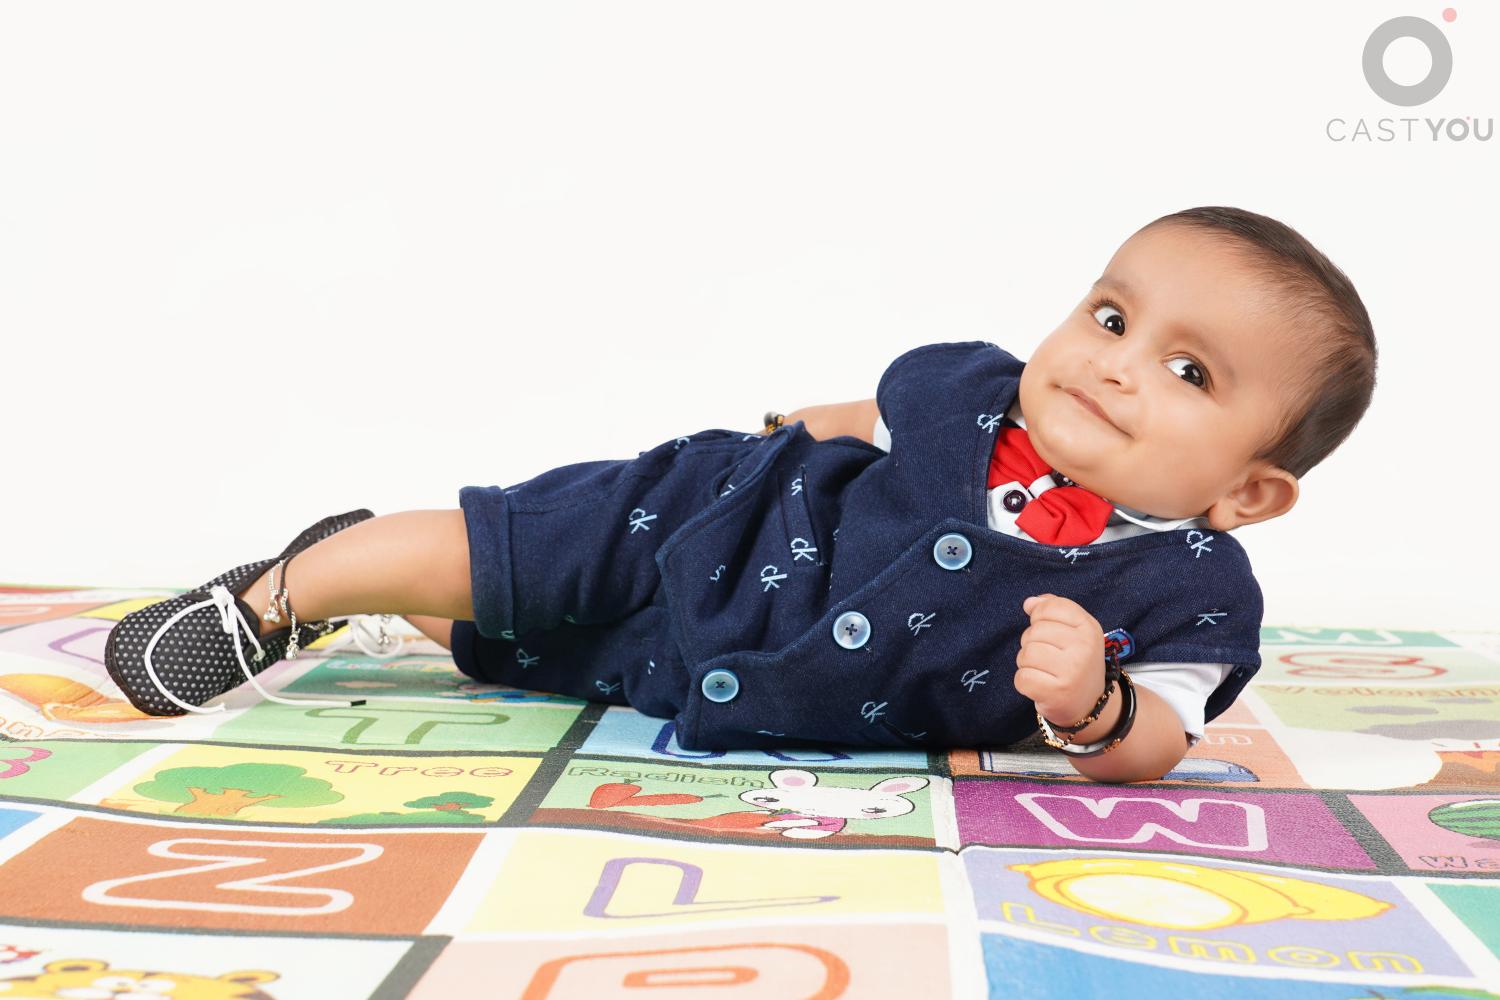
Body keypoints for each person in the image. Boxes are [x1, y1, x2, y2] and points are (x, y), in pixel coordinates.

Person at [104, 205, 1378, 783]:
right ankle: (281, 594)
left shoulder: (1192, 595)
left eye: (1189, 370)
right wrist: (781, 430)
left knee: (530, 650)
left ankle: (364, 571)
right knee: (524, 559)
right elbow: (861, 419)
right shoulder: (968, 390)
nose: (1114, 360)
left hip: (734, 672)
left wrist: (1096, 706)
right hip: (718, 512)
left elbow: (1159, 743)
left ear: (1251, 493)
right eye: (1110, 313)